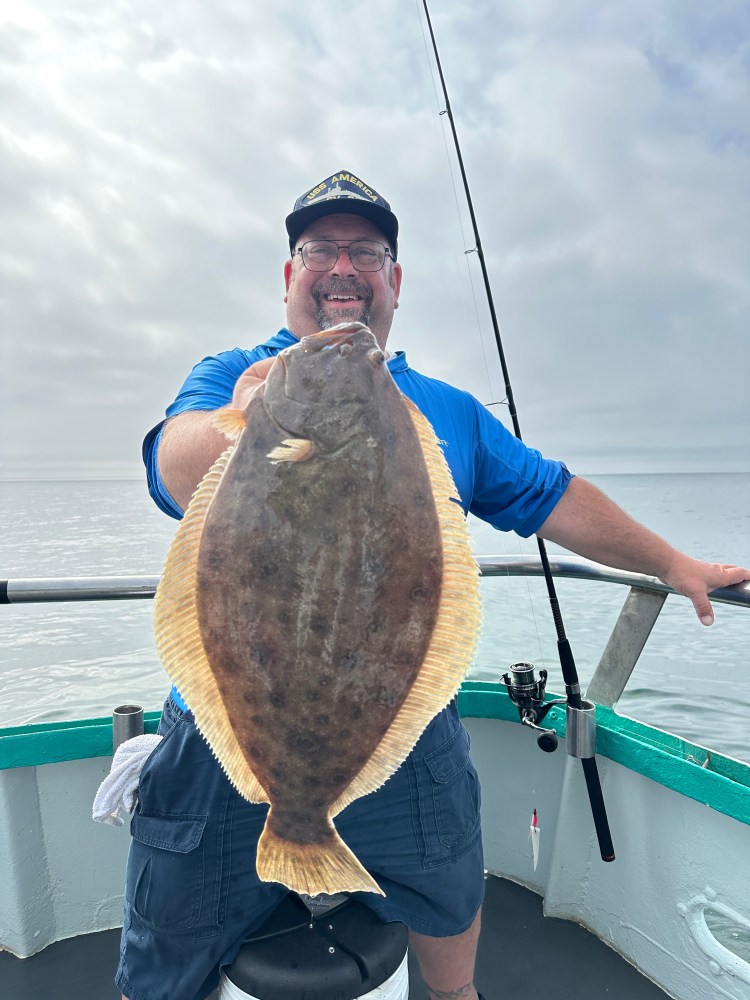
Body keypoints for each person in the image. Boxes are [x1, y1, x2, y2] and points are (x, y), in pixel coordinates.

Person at [120, 170, 750, 1000]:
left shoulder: (444, 410)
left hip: (395, 709)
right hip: (228, 715)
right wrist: (243, 420)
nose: (343, 267)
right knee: (171, 940)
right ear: (288, 277)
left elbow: (550, 494)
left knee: (448, 886)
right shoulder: (237, 380)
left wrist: (670, 562)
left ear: (394, 281)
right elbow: (172, 467)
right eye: (321, 250)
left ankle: (454, 995)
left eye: (367, 252)